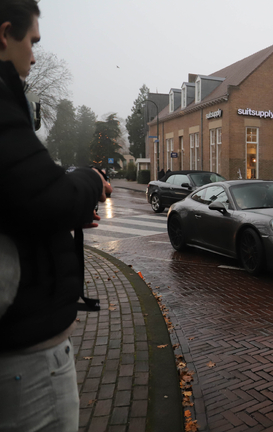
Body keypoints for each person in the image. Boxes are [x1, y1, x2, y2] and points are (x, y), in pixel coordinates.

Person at [0, 2, 112, 430]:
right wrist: (89, 178)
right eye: (31, 42)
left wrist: (59, 213)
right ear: (5, 34)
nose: (33, 54)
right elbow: (44, 194)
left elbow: (19, 199)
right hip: (26, 353)